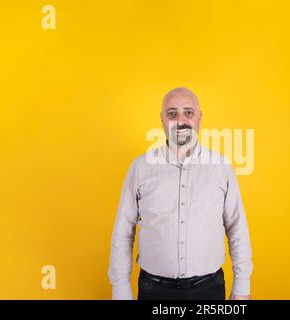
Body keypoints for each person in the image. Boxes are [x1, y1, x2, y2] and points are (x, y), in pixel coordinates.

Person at [108, 87, 253, 300]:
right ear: (162, 120)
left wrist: (242, 286)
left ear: (199, 117)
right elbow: (123, 231)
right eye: (172, 113)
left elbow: (236, 227)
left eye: (188, 112)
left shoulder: (221, 167)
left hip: (209, 290)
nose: (181, 120)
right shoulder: (140, 168)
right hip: (154, 291)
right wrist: (120, 289)